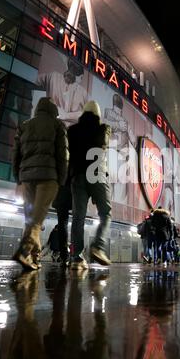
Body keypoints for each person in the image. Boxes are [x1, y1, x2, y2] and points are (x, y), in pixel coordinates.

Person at [12, 97, 69, 270]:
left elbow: (16, 154)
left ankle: (34, 257)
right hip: (48, 176)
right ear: (53, 110)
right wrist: (61, 179)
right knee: (38, 218)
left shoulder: (24, 125)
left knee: (31, 219)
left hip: (27, 178)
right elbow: (63, 155)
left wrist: (18, 178)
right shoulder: (57, 125)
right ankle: (24, 250)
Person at [68, 100, 112, 269]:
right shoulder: (103, 128)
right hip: (96, 173)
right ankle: (98, 247)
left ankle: (77, 258)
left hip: (78, 176)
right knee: (105, 213)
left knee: (78, 217)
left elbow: (69, 155)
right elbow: (102, 147)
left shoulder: (72, 131)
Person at [37, 58, 88, 126]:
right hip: (59, 129)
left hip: (47, 125)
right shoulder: (83, 92)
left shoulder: (52, 76)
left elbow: (33, 79)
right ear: (81, 77)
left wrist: (65, 115)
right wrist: (65, 115)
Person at [52, 180, 72, 266]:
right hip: (73, 192)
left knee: (62, 223)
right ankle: (76, 256)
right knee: (78, 220)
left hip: (59, 194)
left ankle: (64, 256)